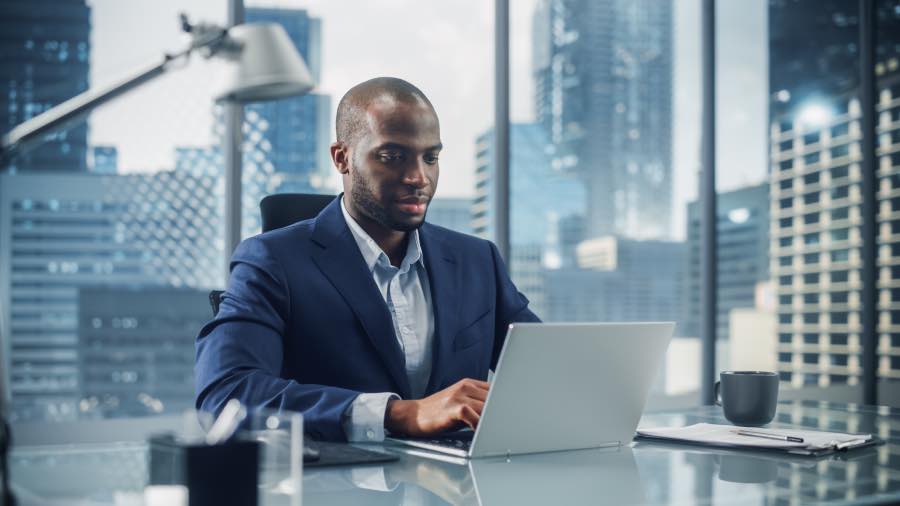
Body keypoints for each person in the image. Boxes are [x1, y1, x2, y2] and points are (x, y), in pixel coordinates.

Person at [195, 77, 540, 442]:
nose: (418, 177)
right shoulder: (271, 261)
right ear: (342, 158)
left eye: (430, 158)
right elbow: (226, 394)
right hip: (338, 476)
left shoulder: (477, 261)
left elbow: (551, 371)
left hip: (460, 477)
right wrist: (399, 413)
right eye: (392, 157)